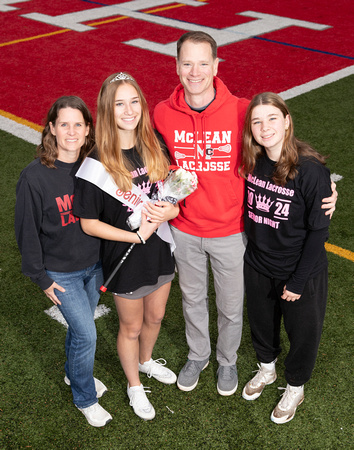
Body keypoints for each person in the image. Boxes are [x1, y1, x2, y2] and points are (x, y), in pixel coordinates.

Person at [153, 31, 338, 396]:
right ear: (176, 66)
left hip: (233, 230)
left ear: (216, 66)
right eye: (187, 63)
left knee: (231, 305)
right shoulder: (161, 112)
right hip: (184, 227)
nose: (195, 71)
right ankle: (198, 354)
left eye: (203, 63)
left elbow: (282, 144)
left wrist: (325, 188)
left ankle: (227, 361)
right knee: (191, 299)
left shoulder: (241, 110)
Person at [73, 72, 179, 421]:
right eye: (120, 103)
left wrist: (172, 209)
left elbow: (172, 195)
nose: (129, 110)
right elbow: (89, 222)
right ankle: (134, 385)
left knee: (157, 316)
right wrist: (134, 236)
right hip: (125, 255)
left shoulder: (154, 143)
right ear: (107, 110)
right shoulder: (96, 160)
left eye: (134, 101)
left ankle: (146, 361)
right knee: (130, 327)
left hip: (160, 247)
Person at [15, 96, 112, 427]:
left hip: (94, 266)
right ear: (52, 129)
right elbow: (26, 231)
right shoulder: (34, 177)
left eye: (78, 124)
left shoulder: (94, 167)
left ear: (88, 130)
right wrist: (40, 278)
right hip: (61, 274)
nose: (71, 131)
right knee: (87, 335)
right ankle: (85, 398)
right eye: (64, 124)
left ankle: (74, 374)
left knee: (79, 330)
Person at [240, 92, 332, 424]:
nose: (265, 128)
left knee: (303, 332)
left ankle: (295, 386)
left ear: (287, 121)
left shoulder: (310, 170)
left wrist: (296, 280)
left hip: (299, 272)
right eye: (257, 121)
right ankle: (267, 370)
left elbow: (318, 233)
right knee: (261, 325)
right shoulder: (252, 160)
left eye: (272, 119)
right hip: (258, 263)